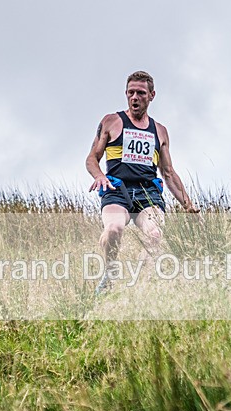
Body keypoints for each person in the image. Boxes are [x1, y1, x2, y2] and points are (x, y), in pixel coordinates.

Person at [86, 71, 199, 293]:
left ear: (152, 95)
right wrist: (99, 176)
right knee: (114, 229)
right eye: (131, 93)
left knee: (155, 235)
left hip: (148, 193)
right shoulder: (111, 122)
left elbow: (167, 172)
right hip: (117, 189)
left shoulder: (160, 131)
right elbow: (92, 158)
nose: (135, 97)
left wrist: (188, 204)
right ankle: (110, 273)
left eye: (140, 93)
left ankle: (137, 285)